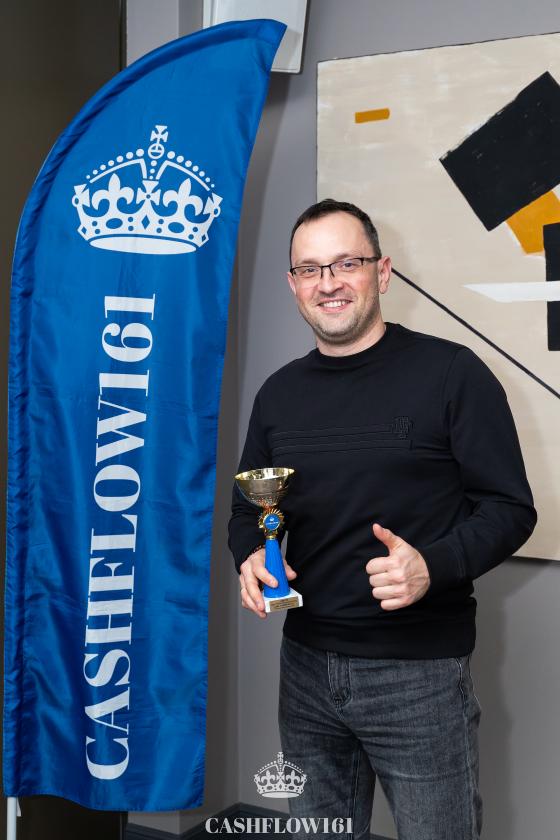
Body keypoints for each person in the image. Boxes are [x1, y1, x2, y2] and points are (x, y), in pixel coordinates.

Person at [228, 198, 536, 840]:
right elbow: (247, 509)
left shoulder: (452, 373)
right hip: (304, 669)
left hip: (419, 676)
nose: (328, 283)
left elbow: (510, 509)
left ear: (383, 271)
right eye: (310, 269)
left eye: (347, 263)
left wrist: (433, 566)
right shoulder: (279, 393)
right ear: (293, 284)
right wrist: (251, 556)